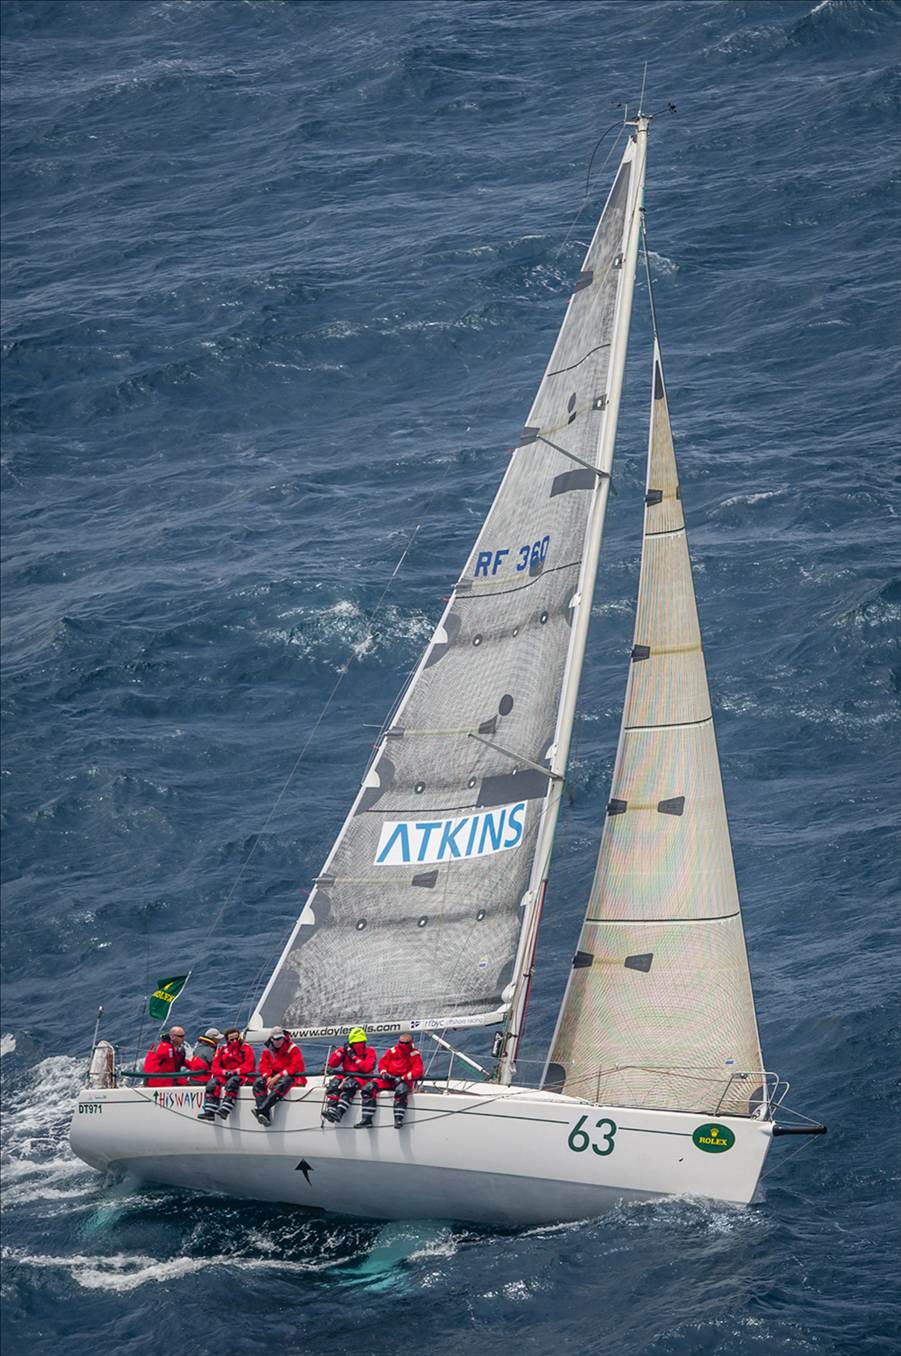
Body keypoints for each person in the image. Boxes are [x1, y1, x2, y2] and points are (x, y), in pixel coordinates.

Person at [356, 1032, 423, 1129]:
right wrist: (384, 1073)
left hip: (403, 1081)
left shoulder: (415, 1054)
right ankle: (367, 1119)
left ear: (410, 1042)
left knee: (401, 1091)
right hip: (388, 1079)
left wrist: (402, 1078)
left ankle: (398, 1119)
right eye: (401, 1042)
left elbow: (418, 1070)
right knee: (368, 1088)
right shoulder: (392, 1051)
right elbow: (382, 1063)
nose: (403, 1045)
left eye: (405, 1043)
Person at [197, 1027, 254, 1121]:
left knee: (232, 1082)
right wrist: (224, 1072)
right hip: (225, 1075)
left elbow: (248, 1065)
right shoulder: (222, 1050)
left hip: (242, 1076)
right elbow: (215, 1067)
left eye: (237, 1038)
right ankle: (209, 1111)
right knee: (212, 1083)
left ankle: (225, 1109)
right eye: (232, 1039)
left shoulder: (246, 1048)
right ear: (227, 1040)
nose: (235, 1041)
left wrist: (235, 1071)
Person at [252, 1028, 306, 1126]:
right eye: (276, 1039)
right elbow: (262, 1067)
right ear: (271, 1039)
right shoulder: (267, 1050)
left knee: (284, 1082)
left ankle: (262, 1109)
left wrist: (278, 1076)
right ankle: (265, 1115)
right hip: (274, 1076)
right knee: (258, 1083)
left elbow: (296, 1066)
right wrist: (267, 1077)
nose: (279, 1041)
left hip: (291, 1077)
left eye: (280, 1038)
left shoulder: (293, 1048)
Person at [323, 1027, 376, 1124]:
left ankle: (339, 1112)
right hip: (346, 1074)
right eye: (355, 1043)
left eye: (360, 1043)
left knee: (349, 1085)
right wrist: (341, 1051)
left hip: (363, 1077)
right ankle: (331, 1110)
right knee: (334, 1084)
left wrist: (354, 1057)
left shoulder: (370, 1051)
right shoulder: (345, 1051)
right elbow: (332, 1063)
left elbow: (366, 1068)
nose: (358, 1045)